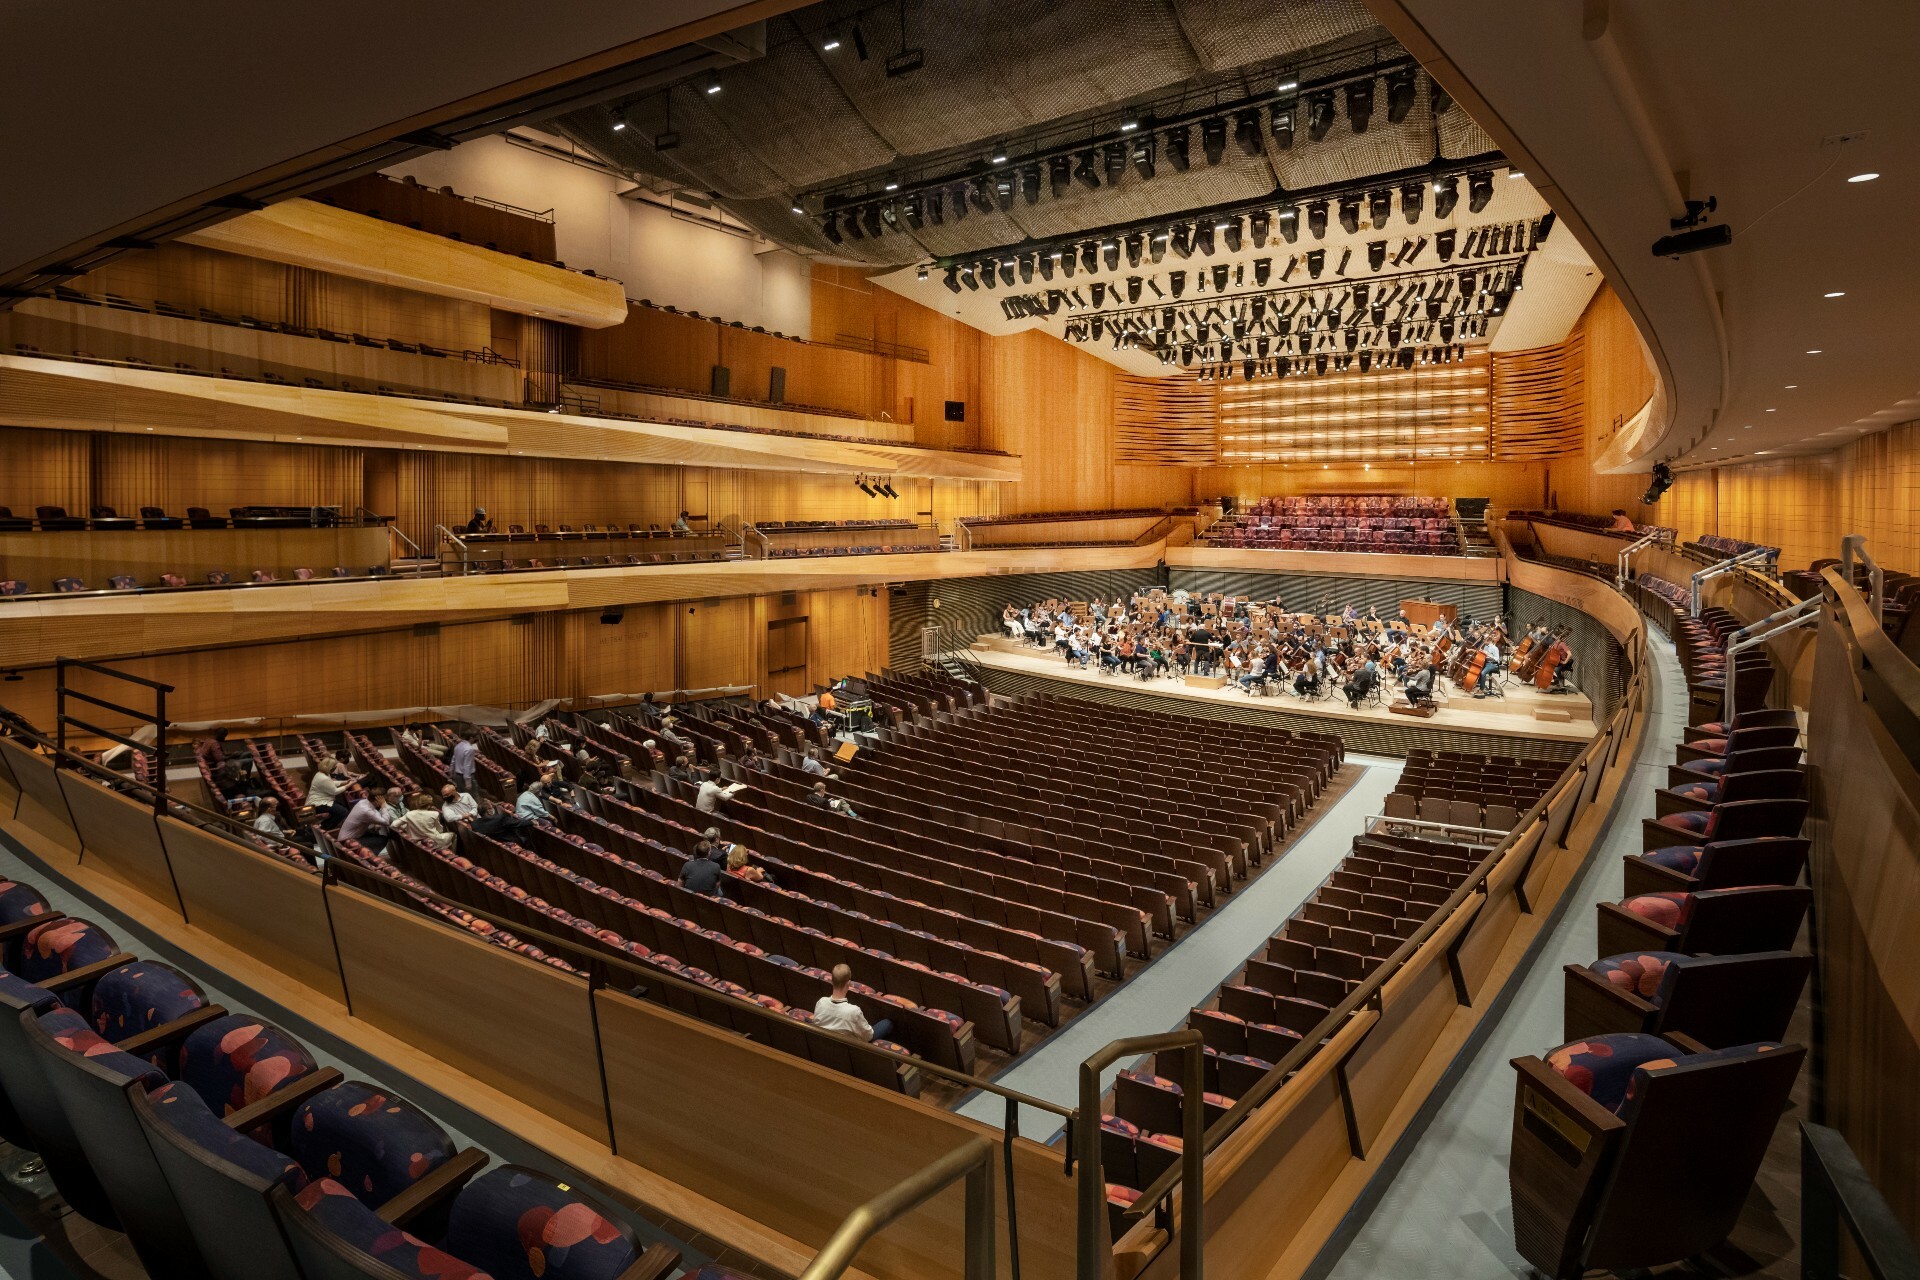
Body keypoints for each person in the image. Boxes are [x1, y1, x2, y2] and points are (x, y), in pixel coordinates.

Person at [811, 964, 890, 1043]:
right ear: (848, 983)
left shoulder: (821, 1002)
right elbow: (868, 1036)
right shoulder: (854, 1011)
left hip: (824, 1043)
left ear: (832, 981)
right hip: (849, 1048)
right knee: (887, 1023)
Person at [305, 757, 355, 824]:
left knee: (342, 806)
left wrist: (345, 782)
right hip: (318, 803)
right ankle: (326, 827)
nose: (335, 768)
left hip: (322, 800)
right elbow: (335, 791)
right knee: (343, 812)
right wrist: (349, 784)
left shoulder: (322, 773)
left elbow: (330, 783)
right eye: (334, 767)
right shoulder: (323, 777)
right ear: (329, 767)